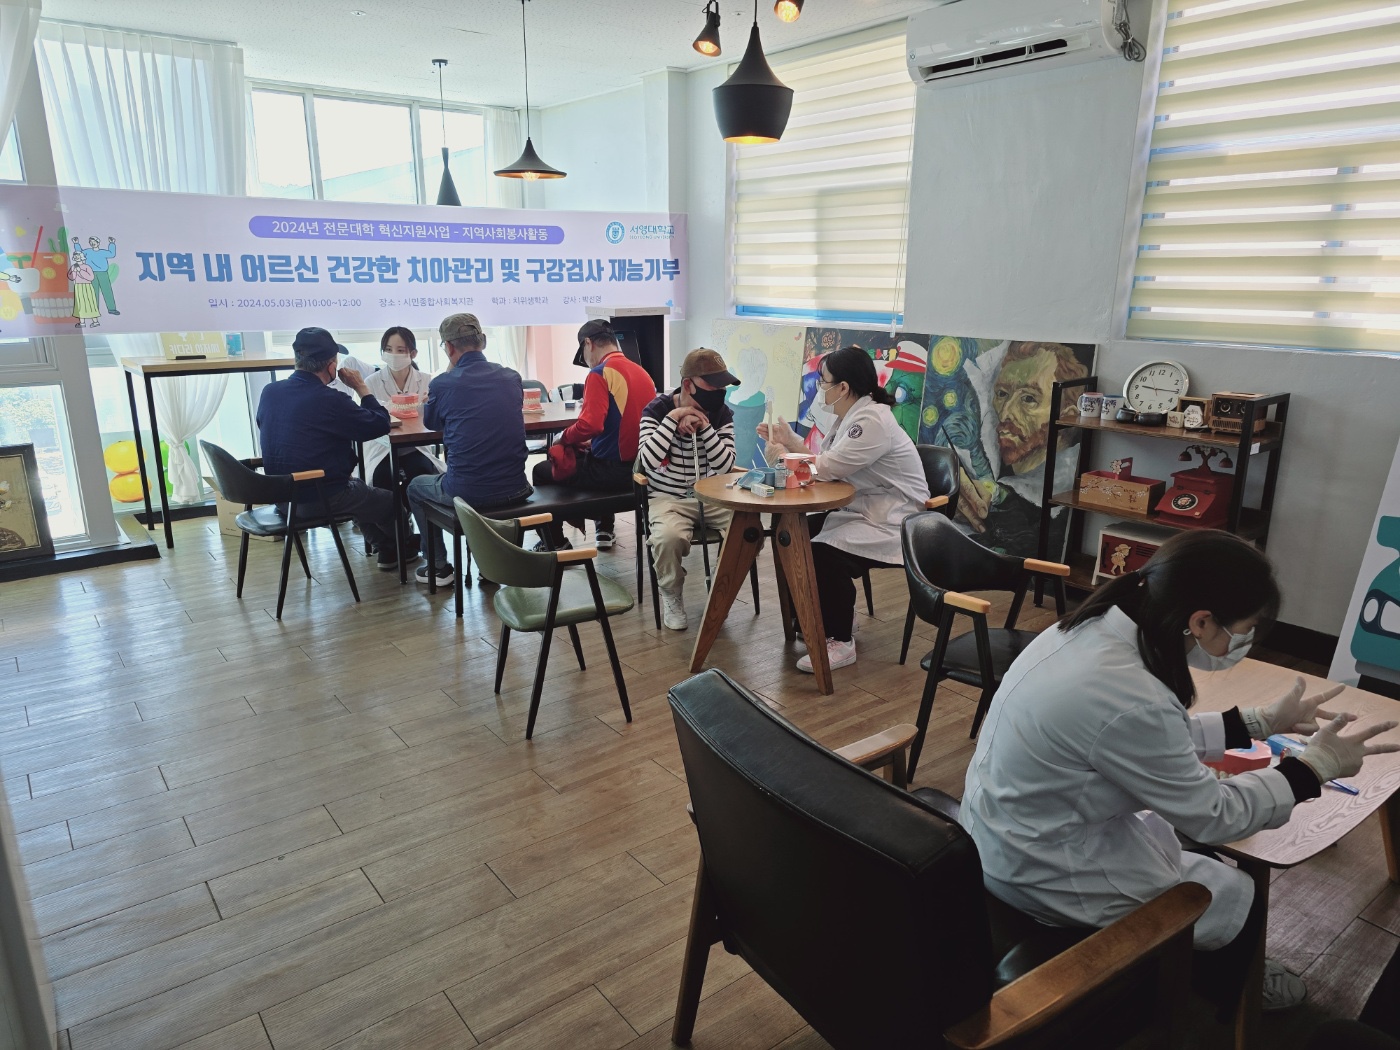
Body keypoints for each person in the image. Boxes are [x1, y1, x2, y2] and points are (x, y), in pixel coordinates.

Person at [959, 530, 1400, 1011]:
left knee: (1184, 850)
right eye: (1246, 627)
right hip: (1041, 870)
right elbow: (1216, 816)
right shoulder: (1127, 691)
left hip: (1003, 832)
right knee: (1234, 895)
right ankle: (1233, 991)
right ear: (1201, 621)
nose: (1245, 640)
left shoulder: (1090, 629)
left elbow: (1136, 739)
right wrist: (1313, 768)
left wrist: (1258, 723)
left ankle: (1201, 969)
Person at [757, 345, 929, 673]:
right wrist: (791, 442)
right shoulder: (853, 415)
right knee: (794, 534)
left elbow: (827, 468)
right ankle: (817, 616)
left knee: (822, 552)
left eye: (823, 381)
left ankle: (840, 639)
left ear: (843, 387)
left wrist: (783, 456)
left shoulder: (871, 420)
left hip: (896, 519)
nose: (820, 388)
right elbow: (828, 461)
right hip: (869, 508)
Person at [256, 327, 403, 570]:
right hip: (320, 498)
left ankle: (387, 549)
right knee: (389, 502)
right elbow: (380, 423)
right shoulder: (330, 399)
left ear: (297, 359)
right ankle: (403, 550)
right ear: (332, 366)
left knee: (360, 491)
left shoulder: (270, 392)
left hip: (282, 497)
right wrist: (361, 388)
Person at [407, 313, 533, 586]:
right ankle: (490, 565)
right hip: (516, 487)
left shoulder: (442, 384)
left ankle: (438, 567)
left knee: (415, 487)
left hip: (467, 491)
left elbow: (431, 423)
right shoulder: (511, 377)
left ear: (448, 347)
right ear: (483, 341)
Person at [637, 348, 740, 630]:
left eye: (722, 386)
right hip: (668, 498)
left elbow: (725, 465)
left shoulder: (721, 414)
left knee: (748, 530)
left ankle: (721, 587)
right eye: (712, 386)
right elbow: (647, 460)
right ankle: (671, 594)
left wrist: (705, 426)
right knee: (667, 538)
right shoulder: (656, 410)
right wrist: (673, 418)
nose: (719, 393)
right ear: (687, 384)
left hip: (713, 497)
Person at [532, 319, 656, 549]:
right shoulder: (642, 372)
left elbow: (590, 425)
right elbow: (623, 425)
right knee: (591, 453)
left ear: (588, 343)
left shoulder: (599, 373)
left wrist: (563, 437)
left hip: (611, 473)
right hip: (641, 470)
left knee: (542, 471)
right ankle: (604, 528)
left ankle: (555, 544)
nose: (586, 361)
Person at [956, 340, 1088, 556]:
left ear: (1066, 417)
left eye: (1028, 398)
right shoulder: (986, 470)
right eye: (1002, 394)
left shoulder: (1060, 503)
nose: (1005, 413)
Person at [363, 327, 445, 556]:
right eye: (388, 349)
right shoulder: (370, 382)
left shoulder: (427, 381)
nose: (394, 355)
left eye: (400, 350)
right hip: (382, 448)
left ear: (413, 353)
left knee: (421, 473)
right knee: (381, 478)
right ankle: (397, 541)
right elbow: (367, 417)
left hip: (415, 446)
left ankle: (428, 543)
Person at [74, 235, 119, 315]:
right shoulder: (88, 251)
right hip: (92, 273)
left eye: (94, 242)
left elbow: (112, 254)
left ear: (98, 243)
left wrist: (112, 243)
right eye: (91, 242)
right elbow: (80, 253)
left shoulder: (103, 252)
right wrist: (76, 243)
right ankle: (94, 309)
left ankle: (112, 309)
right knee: (94, 292)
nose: (93, 243)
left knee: (107, 290)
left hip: (103, 273)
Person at [68, 249, 99, 329]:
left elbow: (91, 277)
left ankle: (95, 321)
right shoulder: (73, 266)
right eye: (75, 256)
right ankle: (82, 322)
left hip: (87, 286)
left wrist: (80, 271)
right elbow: (71, 277)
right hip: (78, 287)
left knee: (90, 303)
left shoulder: (86, 267)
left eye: (78, 256)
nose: (76, 258)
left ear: (81, 257)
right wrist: (74, 271)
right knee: (80, 304)